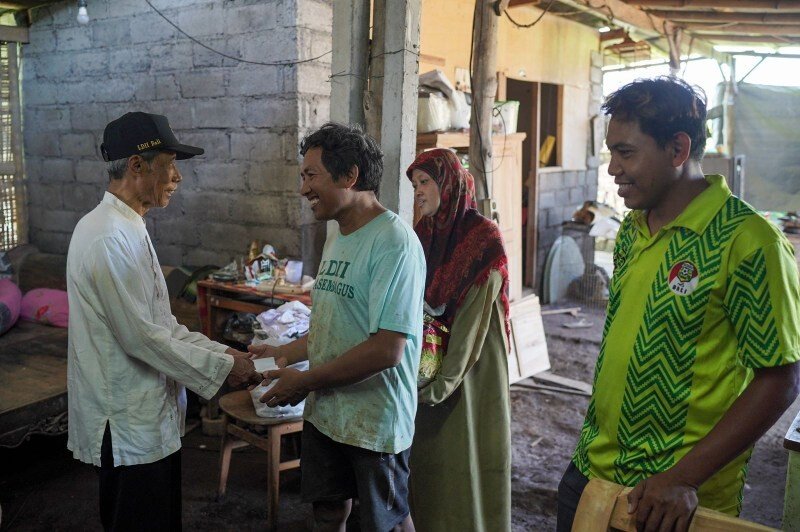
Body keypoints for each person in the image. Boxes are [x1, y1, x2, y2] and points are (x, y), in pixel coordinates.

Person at [559, 77, 800, 532]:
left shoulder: (749, 242)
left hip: (670, 502)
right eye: (611, 152)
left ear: (678, 149)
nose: (613, 168)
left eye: (626, 152)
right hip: (592, 475)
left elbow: (782, 377)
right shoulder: (633, 228)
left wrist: (683, 478)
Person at [66, 112, 263, 531]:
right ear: (137, 167)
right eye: (168, 165)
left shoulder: (129, 226)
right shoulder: (105, 236)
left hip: (148, 421)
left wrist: (227, 352)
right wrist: (227, 369)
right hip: (127, 426)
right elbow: (141, 337)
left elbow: (163, 325)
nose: (177, 177)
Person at [249, 122, 425, 531]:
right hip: (328, 412)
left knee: (388, 522)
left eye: (311, 176)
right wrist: (281, 354)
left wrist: (303, 382)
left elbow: (386, 349)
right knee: (328, 511)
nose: (303, 188)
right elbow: (334, 326)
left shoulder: (393, 242)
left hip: (375, 420)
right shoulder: (337, 234)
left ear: (350, 176)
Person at [405, 148, 512, 532]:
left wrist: (442, 384)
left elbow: (472, 322)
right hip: (429, 366)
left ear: (448, 183)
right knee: (430, 464)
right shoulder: (424, 233)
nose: (418, 192)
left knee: (467, 454)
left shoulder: (482, 237)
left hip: (471, 367)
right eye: (415, 184)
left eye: (425, 182)